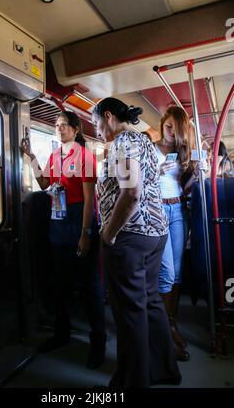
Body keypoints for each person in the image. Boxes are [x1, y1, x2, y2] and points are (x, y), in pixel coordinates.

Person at [92, 97, 181, 389]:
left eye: (96, 123)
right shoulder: (142, 142)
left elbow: (131, 193)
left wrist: (108, 234)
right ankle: (163, 369)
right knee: (151, 302)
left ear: (108, 117)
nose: (96, 130)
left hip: (130, 237)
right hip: (156, 234)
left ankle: (133, 382)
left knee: (130, 310)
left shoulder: (121, 143)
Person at [21, 111, 106, 369]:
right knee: (60, 283)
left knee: (91, 286)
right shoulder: (55, 156)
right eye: (57, 126)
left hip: (79, 219)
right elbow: (45, 183)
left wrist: (85, 233)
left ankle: (99, 342)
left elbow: (90, 198)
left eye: (64, 126)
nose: (59, 129)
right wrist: (32, 157)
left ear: (76, 129)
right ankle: (62, 334)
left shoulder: (85, 157)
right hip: (58, 222)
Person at [154, 106, 194, 362]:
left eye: (175, 129)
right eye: (168, 127)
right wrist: (156, 172)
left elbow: (185, 188)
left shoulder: (183, 154)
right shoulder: (151, 148)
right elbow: (142, 181)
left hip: (177, 210)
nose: (171, 133)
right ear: (162, 124)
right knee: (165, 271)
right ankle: (163, 330)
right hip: (158, 211)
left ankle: (171, 323)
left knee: (177, 271)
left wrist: (194, 174)